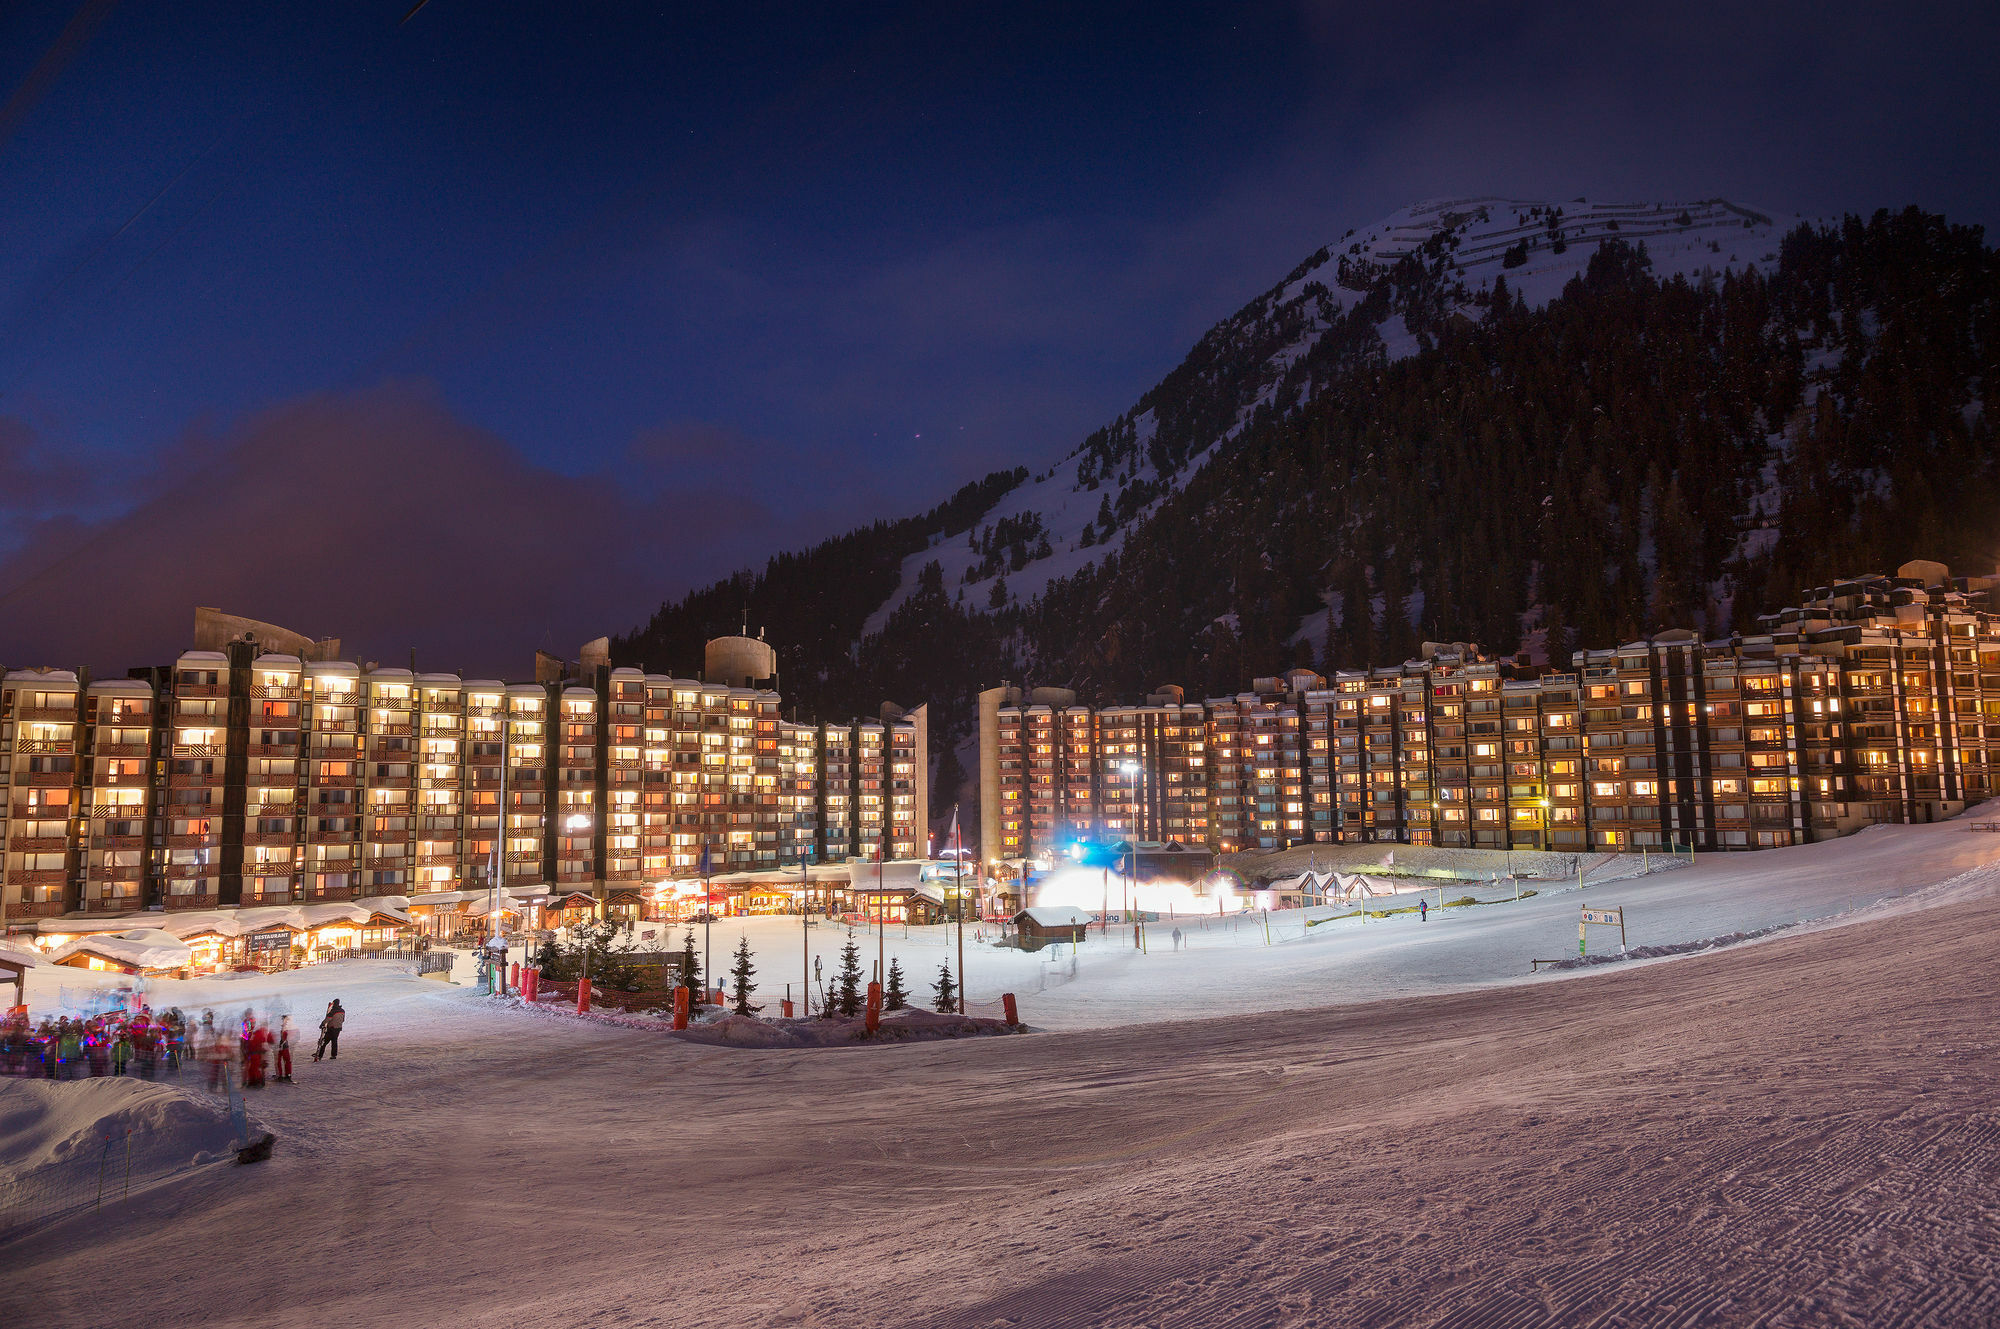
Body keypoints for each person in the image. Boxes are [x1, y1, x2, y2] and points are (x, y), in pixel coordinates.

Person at [274, 1016, 294, 1083]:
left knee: (281, 1061)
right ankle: (285, 1075)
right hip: (282, 1046)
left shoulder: (284, 1028)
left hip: (282, 1046)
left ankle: (283, 1075)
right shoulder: (283, 1027)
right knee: (283, 1061)